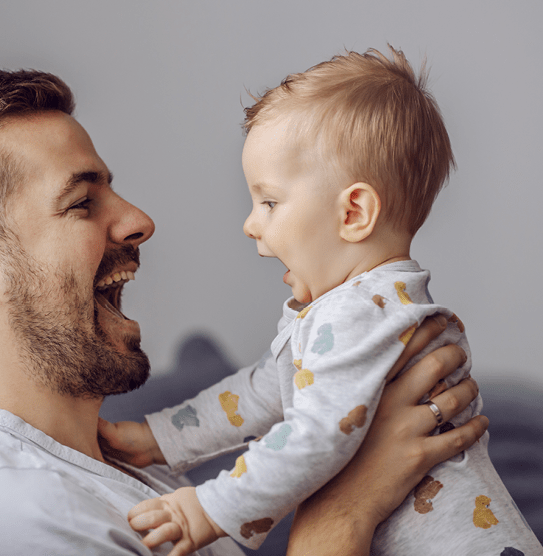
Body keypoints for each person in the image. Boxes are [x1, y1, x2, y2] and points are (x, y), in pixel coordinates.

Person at [0, 68, 487, 556]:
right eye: (82, 203)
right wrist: (345, 510)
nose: (140, 220)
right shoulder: (10, 522)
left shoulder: (100, 467)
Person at [99, 47, 542, 555]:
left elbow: (315, 439)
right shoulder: (350, 310)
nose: (250, 224)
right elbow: (259, 392)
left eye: (269, 202)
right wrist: (158, 439)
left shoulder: (364, 313)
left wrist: (209, 508)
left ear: (354, 212)